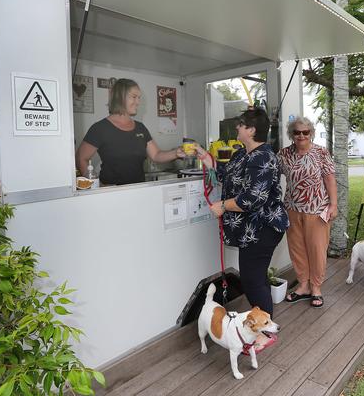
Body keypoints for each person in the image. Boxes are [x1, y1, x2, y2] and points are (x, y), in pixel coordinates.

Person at [197, 108, 289, 351]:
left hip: (264, 228)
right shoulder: (241, 154)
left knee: (253, 280)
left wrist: (222, 206)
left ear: (251, 130)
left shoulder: (264, 157)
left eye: (240, 125)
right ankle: (263, 326)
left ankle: (265, 332)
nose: (236, 128)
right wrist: (206, 158)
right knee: (252, 278)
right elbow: (226, 173)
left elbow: (252, 199)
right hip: (251, 230)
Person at [75, 78, 186, 186]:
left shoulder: (140, 128)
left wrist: (176, 153)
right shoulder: (100, 128)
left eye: (139, 98)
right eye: (134, 97)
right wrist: (96, 184)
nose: (138, 102)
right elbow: (81, 158)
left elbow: (156, 155)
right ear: (120, 97)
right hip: (111, 194)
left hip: (138, 191)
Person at [278, 117, 337, 308]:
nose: (301, 136)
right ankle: (303, 286)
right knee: (297, 249)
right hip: (292, 208)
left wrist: (333, 205)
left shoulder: (321, 152)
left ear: (311, 133)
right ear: (291, 134)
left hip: (317, 209)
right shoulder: (284, 154)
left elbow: (329, 180)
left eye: (305, 132)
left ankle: (316, 287)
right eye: (297, 132)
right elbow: (270, 174)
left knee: (317, 249)